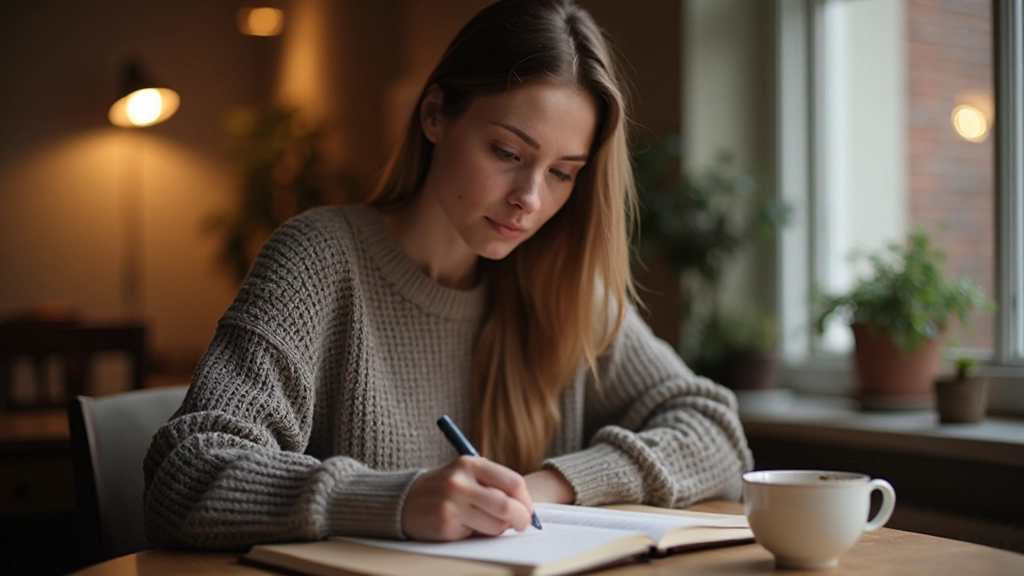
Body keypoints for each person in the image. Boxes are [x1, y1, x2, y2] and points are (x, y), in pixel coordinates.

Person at [143, 0, 753, 550]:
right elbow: (188, 472)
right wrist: (396, 500)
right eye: (508, 153)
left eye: (563, 173)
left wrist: (548, 485)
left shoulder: (558, 284)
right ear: (436, 114)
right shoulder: (321, 261)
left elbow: (716, 434)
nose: (529, 200)